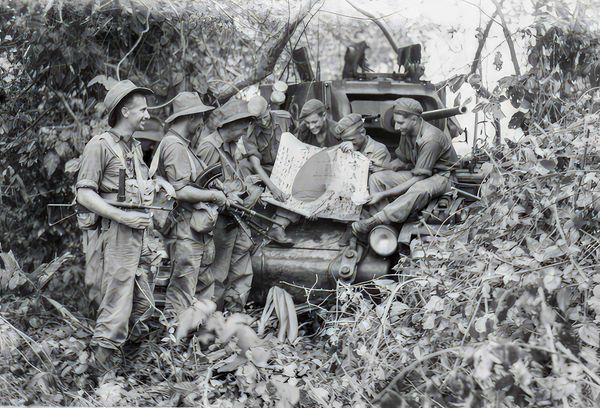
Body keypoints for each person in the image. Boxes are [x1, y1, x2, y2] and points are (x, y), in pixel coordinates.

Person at [76, 79, 170, 371]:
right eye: (142, 110)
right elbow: (84, 193)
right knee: (116, 304)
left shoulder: (134, 149)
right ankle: (103, 377)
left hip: (139, 236)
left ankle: (123, 363)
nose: (146, 115)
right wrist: (122, 217)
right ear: (125, 112)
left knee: (142, 303)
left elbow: (136, 186)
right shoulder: (99, 147)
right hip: (116, 234)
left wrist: (159, 184)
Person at [149, 92, 229, 321]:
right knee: (183, 288)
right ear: (191, 117)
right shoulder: (174, 146)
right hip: (184, 229)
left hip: (196, 229)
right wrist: (214, 195)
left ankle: (198, 337)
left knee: (203, 283)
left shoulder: (184, 146)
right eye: (200, 117)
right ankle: (174, 341)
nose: (202, 123)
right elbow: (181, 190)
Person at [352, 98, 459, 236]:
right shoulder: (406, 131)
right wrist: (383, 167)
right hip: (422, 172)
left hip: (444, 177)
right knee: (377, 178)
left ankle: (377, 220)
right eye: (396, 122)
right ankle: (388, 225)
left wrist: (383, 194)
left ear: (414, 119)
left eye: (400, 122)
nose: (396, 127)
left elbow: (418, 179)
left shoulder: (431, 139)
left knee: (419, 189)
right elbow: (401, 160)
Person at [195, 99, 255, 311]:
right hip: (219, 220)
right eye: (241, 126)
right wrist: (226, 194)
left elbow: (232, 178)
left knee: (242, 266)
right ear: (227, 125)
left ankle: (235, 313)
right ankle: (212, 321)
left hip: (236, 218)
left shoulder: (231, 147)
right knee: (218, 272)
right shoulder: (209, 147)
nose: (244, 131)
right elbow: (201, 187)